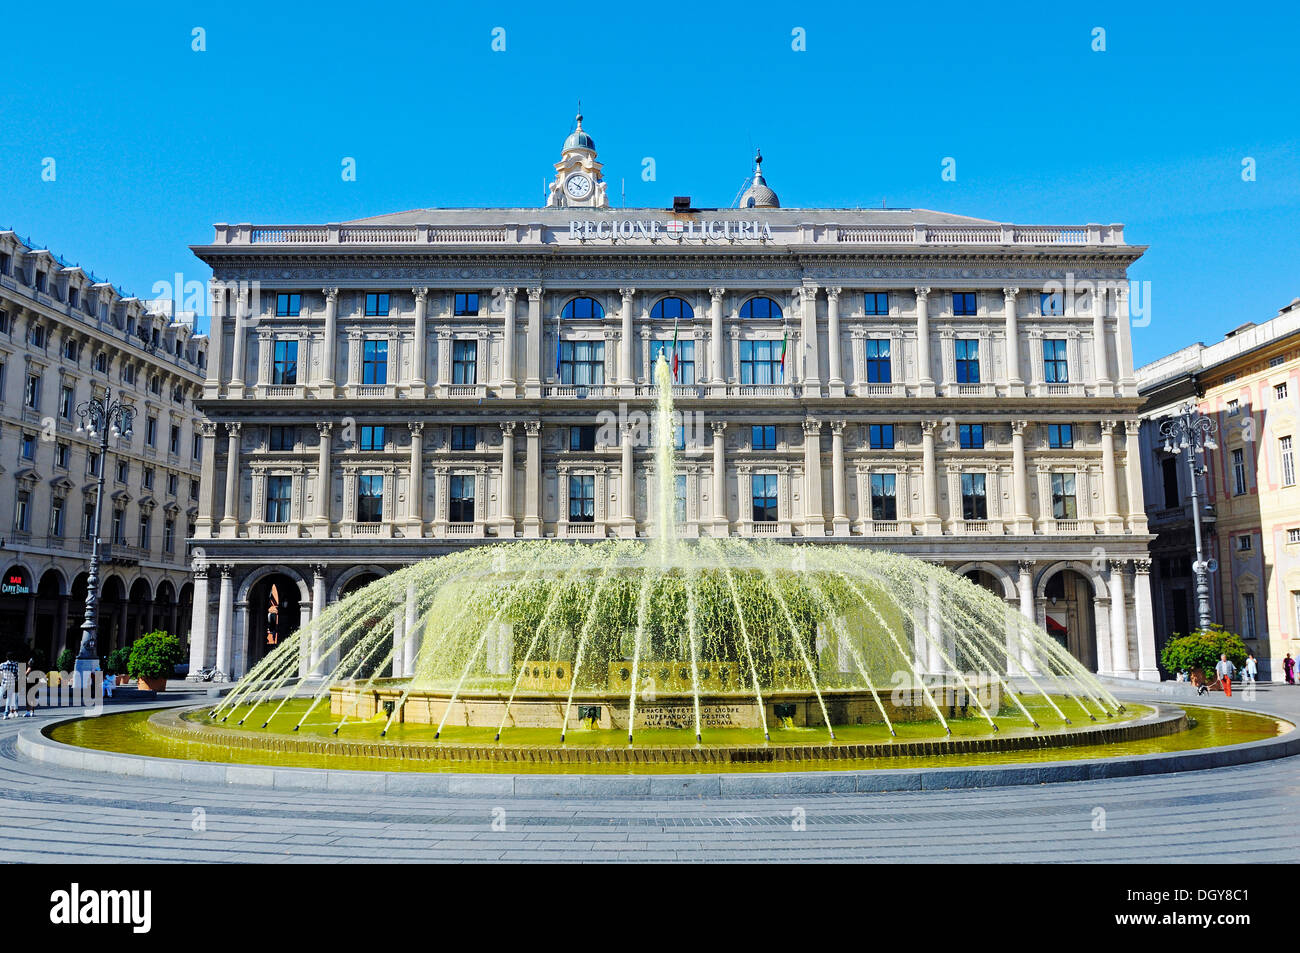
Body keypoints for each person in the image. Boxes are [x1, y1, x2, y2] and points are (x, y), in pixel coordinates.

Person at [0, 653, 19, 718]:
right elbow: (17, 675)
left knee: (0, 696)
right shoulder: (16, 665)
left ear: (6, 657)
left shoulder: (2, 665)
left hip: (4, 683)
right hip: (11, 683)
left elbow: (1, 674)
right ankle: (5, 714)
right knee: (9, 698)